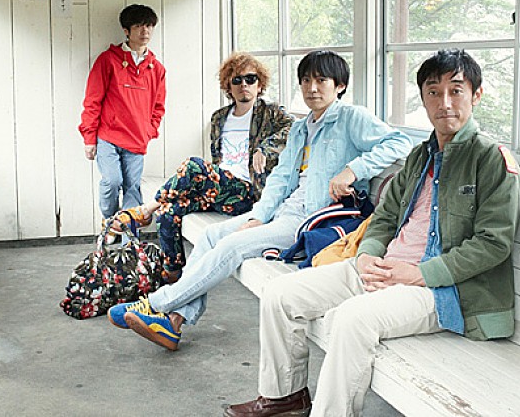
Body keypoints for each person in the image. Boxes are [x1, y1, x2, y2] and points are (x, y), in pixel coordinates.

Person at [225, 49, 520, 417]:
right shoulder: (420, 157)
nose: (444, 103)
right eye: (433, 92)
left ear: (476, 95)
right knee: (280, 294)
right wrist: (367, 253)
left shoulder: (491, 159)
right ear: (423, 98)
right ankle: (283, 397)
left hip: (441, 289)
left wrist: (419, 273)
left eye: (456, 91)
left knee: (351, 318)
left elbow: (493, 243)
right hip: (383, 268)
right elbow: (384, 217)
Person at [107, 50, 413, 351]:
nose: (312, 88)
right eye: (306, 81)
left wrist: (352, 170)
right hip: (283, 210)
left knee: (231, 246)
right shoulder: (302, 127)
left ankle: (157, 304)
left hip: (310, 218)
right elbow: (281, 177)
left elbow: (399, 142)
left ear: (340, 85)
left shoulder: (350, 118)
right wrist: (259, 216)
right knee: (212, 235)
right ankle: (173, 323)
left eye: (322, 80)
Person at [108, 52, 293, 282]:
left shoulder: (270, 113)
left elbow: (294, 128)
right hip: (218, 189)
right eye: (237, 80)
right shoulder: (220, 118)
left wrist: (265, 149)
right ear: (228, 86)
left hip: (246, 193)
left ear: (260, 84)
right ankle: (173, 272)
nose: (244, 84)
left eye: (250, 79)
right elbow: (217, 161)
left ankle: (145, 210)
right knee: (168, 211)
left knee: (193, 165)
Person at [78, 4, 166, 221]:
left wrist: (149, 131)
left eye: (149, 26)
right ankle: (110, 222)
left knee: (132, 188)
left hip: (137, 139)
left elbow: (158, 107)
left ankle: (129, 235)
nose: (145, 31)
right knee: (112, 181)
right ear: (126, 31)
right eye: (138, 26)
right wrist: (89, 138)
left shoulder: (157, 68)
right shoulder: (108, 60)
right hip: (108, 137)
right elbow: (92, 101)